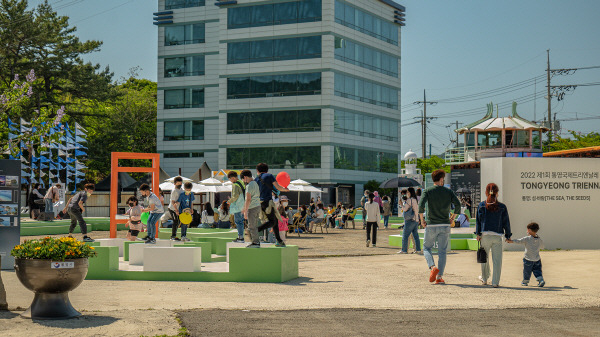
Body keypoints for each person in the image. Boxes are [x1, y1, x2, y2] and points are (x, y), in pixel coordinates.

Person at [418, 170, 461, 284]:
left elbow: (421, 206)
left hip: (431, 224)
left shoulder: (427, 191)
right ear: (441, 179)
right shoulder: (448, 192)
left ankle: (432, 267)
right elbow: (458, 205)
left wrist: (422, 220)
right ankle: (439, 277)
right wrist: (452, 218)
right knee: (442, 251)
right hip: (445, 224)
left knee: (427, 248)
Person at [475, 183, 512, 287]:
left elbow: (478, 221)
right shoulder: (502, 207)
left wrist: (478, 234)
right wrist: (508, 235)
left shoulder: (481, 205)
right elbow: (506, 222)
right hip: (497, 237)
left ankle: (485, 279)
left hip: (485, 236)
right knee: (497, 261)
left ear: (486, 192)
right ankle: (495, 282)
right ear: (497, 193)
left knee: (484, 258)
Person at [255, 163, 289, 247]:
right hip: (268, 202)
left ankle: (279, 241)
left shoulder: (256, 179)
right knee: (272, 221)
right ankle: (257, 230)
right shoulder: (269, 176)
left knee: (275, 221)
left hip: (260, 203)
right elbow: (277, 187)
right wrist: (284, 189)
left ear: (257, 170)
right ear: (267, 170)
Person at [508, 222, 545, 287]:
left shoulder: (527, 238)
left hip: (528, 259)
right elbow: (542, 247)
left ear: (529, 230)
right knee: (538, 270)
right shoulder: (539, 239)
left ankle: (525, 281)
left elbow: (519, 241)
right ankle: (540, 280)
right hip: (537, 259)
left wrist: (511, 241)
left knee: (527, 271)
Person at [241, 169, 262, 247]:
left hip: (252, 207)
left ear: (245, 177)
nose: (244, 181)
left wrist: (245, 211)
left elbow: (248, 199)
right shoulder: (256, 183)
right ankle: (255, 241)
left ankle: (255, 242)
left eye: (243, 179)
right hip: (257, 206)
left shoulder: (249, 185)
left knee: (251, 226)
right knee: (254, 225)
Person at [399, 187, 421, 254]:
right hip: (416, 220)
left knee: (405, 235)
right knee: (415, 236)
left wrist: (401, 204)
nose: (407, 194)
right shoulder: (415, 200)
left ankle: (404, 250)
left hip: (409, 220)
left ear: (410, 193)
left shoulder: (409, 200)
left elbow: (405, 209)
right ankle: (418, 249)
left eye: (408, 192)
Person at [227, 171, 246, 242]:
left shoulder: (235, 185)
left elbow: (235, 196)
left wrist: (229, 201)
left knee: (238, 221)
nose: (231, 181)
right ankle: (241, 236)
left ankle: (240, 237)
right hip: (244, 204)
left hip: (238, 206)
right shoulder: (241, 182)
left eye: (230, 179)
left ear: (233, 178)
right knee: (241, 221)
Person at [168, 176, 184, 240]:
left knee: (179, 221)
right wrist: (176, 210)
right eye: (178, 183)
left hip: (178, 208)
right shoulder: (174, 191)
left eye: (180, 183)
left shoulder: (181, 190)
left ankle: (177, 235)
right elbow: (172, 201)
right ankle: (173, 236)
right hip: (172, 208)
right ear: (174, 183)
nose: (179, 184)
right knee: (175, 221)